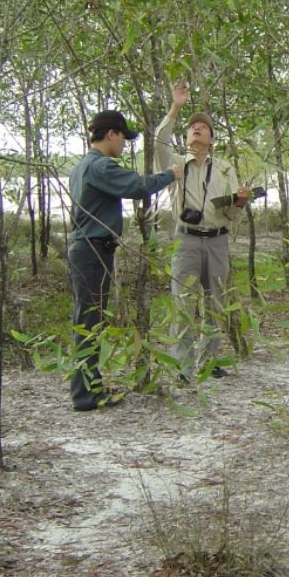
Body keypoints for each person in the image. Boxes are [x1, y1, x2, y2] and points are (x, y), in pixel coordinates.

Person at [68, 109, 184, 411]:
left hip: (89, 250)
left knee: (88, 320)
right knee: (89, 322)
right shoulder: (101, 166)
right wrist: (170, 174)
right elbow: (137, 186)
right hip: (92, 251)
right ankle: (86, 395)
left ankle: (90, 387)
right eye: (123, 138)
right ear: (111, 134)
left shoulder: (81, 166)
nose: (123, 145)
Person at [155, 82, 251, 383]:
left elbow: (231, 213)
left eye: (203, 127)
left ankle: (209, 362)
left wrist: (240, 203)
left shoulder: (223, 168)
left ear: (211, 139)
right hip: (186, 240)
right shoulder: (175, 164)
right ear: (186, 137)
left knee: (216, 301)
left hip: (218, 240)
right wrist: (176, 107)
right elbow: (159, 140)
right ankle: (182, 368)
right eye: (192, 126)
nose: (197, 128)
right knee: (183, 301)